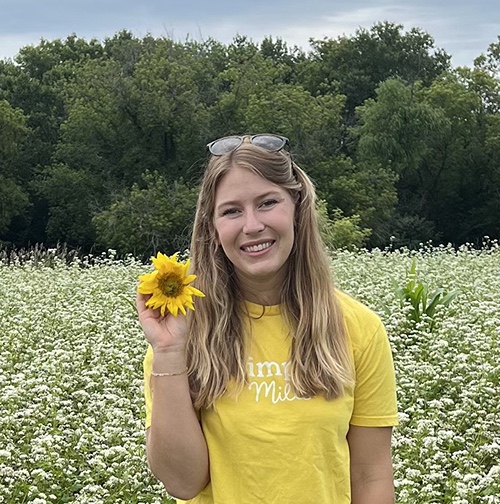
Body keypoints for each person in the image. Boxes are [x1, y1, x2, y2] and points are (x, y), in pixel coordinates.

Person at [136, 134, 398, 504]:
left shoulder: (359, 328)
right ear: (212, 228)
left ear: (297, 208)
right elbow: (183, 482)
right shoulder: (181, 334)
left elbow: (371, 475)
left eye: (267, 202)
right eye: (231, 211)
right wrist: (168, 352)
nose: (252, 225)